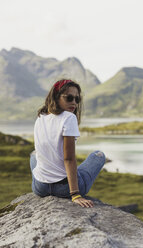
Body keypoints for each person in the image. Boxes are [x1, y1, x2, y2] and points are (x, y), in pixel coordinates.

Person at [30, 79, 106, 208]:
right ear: (56, 96)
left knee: (33, 155)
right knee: (98, 155)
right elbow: (69, 158)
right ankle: (73, 187)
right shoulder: (69, 118)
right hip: (64, 189)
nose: (74, 103)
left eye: (77, 99)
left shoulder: (40, 116)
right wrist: (75, 194)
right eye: (69, 98)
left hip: (40, 188)